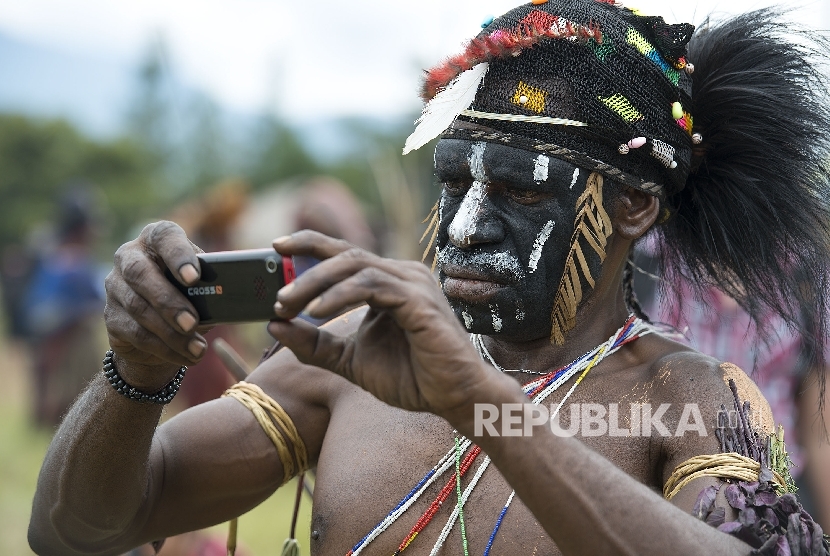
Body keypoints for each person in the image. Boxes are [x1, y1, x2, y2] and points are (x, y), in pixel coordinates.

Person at [28, 2, 830, 555]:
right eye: (454, 183)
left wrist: (478, 405)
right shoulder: (346, 360)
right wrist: (134, 373)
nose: (467, 225)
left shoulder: (686, 396)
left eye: (518, 190)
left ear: (631, 208)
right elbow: (78, 531)